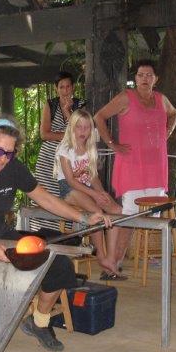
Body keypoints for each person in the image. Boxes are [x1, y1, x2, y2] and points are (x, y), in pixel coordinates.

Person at [0, 113, 110, 352]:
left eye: (10, 153)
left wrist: (84, 217)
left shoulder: (12, 168)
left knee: (58, 265)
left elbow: (45, 199)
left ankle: (39, 321)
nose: (4, 159)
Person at [94, 59, 176, 269]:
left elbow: (174, 114)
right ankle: (115, 261)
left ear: (155, 79)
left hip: (155, 166)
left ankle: (147, 256)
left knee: (153, 212)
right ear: (135, 78)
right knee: (130, 214)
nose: (144, 79)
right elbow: (99, 116)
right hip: (131, 165)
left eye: (149, 75)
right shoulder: (126, 97)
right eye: (140, 75)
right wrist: (112, 144)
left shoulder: (161, 99)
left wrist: (167, 131)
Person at [56, 109, 129, 280]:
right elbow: (71, 180)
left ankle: (111, 258)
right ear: (72, 128)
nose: (83, 131)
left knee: (116, 210)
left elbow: (93, 176)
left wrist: (101, 192)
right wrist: (94, 195)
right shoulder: (65, 148)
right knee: (97, 213)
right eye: (79, 127)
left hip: (87, 187)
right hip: (69, 189)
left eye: (87, 127)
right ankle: (102, 257)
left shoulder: (89, 147)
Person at [34, 71, 86, 229]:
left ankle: (68, 233)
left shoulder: (80, 104)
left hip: (71, 158)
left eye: (68, 86)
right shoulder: (51, 104)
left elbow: (81, 130)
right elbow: (44, 134)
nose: (65, 90)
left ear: (73, 87)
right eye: (61, 87)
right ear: (56, 88)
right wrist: (69, 136)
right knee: (46, 194)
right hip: (49, 158)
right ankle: (41, 230)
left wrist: (67, 111)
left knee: (66, 194)